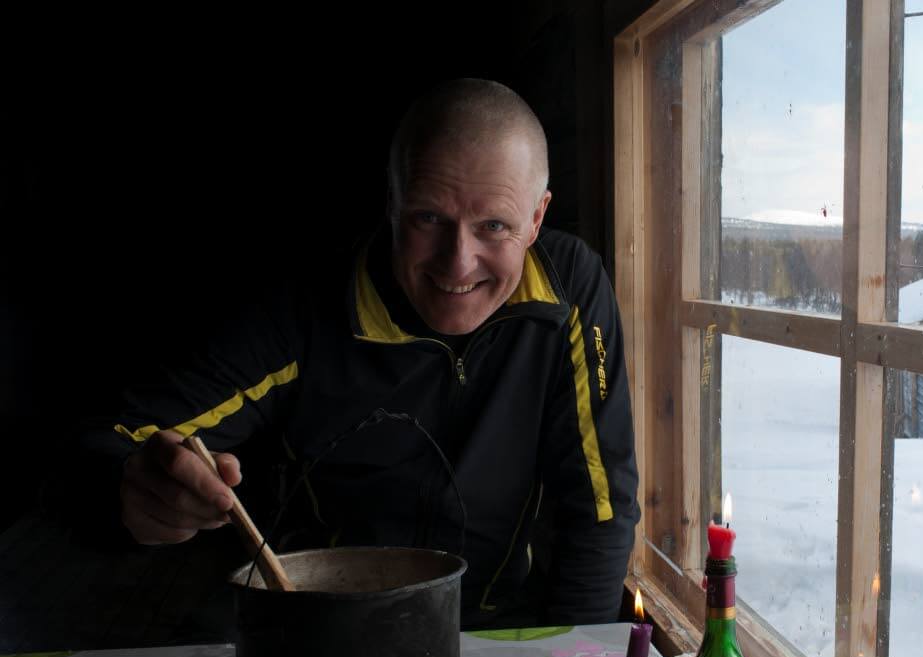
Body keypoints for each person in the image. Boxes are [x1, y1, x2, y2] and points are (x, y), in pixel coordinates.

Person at [83, 78, 639, 628]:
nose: (458, 263)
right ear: (392, 201)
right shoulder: (307, 305)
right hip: (322, 626)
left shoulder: (569, 287)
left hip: (494, 628)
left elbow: (599, 509)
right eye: (428, 218)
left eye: (493, 226)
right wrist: (130, 491)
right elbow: (114, 442)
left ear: (537, 218)